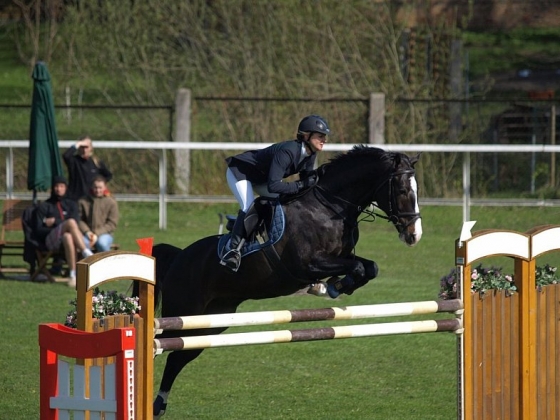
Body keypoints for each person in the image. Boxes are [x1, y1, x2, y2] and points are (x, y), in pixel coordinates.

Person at [220, 114, 330, 271]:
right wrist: (300, 185)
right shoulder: (287, 152)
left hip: (262, 179)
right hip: (241, 172)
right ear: (306, 135)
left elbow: (306, 180)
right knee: (248, 206)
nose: (324, 140)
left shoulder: (310, 153)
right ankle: (232, 250)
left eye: (324, 136)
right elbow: (275, 186)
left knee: (287, 201)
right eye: (320, 136)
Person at [34, 175, 94, 288]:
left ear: (65, 188)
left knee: (67, 236)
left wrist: (55, 221)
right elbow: (38, 230)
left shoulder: (71, 204)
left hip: (69, 240)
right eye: (56, 186)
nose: (59, 189)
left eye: (61, 186)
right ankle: (86, 252)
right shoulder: (45, 206)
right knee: (70, 222)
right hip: (51, 240)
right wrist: (59, 225)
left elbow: (76, 221)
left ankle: (72, 274)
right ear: (53, 188)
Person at [63, 135, 113, 201]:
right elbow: (66, 155)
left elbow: (108, 175)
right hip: (75, 198)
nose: (84, 150)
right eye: (82, 147)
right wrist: (78, 144)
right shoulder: (74, 161)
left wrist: (99, 186)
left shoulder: (96, 162)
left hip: (91, 199)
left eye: (86, 147)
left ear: (91, 148)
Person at [78, 175, 119, 252]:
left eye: (100, 188)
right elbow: (79, 220)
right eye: (95, 187)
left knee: (102, 243)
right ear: (92, 187)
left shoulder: (111, 202)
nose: (97, 190)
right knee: (83, 245)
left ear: (105, 188)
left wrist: (97, 233)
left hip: (105, 234)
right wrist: (87, 232)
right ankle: (86, 263)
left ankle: (106, 262)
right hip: (87, 234)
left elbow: (112, 223)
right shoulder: (83, 201)